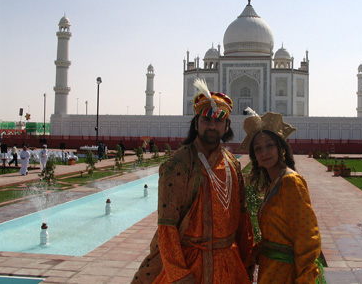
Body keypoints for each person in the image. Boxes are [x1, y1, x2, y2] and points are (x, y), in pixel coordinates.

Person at [132, 78, 254, 284]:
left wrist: (247, 262)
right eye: (206, 120)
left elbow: (242, 218)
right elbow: (167, 225)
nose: (212, 126)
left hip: (228, 263)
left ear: (227, 126)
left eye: (218, 121)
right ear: (196, 123)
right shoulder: (179, 164)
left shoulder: (232, 164)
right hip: (189, 264)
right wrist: (179, 274)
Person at [239, 111, 324, 284]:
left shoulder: (291, 183)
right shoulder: (274, 183)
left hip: (287, 273)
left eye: (269, 145)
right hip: (271, 270)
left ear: (281, 148)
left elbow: (307, 237)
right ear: (254, 156)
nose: (264, 152)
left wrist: (304, 279)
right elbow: (274, 234)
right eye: (258, 148)